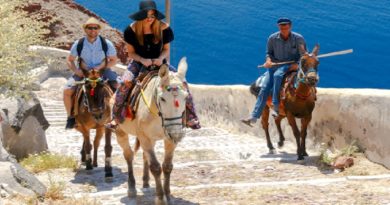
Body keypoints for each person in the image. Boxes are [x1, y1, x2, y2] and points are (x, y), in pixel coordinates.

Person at [108, 0, 200, 129]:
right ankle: (116, 117)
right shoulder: (131, 30)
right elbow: (131, 53)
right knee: (125, 84)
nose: (150, 19)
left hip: (160, 62)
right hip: (139, 62)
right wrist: (142, 59)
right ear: (140, 16)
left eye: (152, 16)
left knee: (182, 82)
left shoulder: (164, 28)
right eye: (146, 15)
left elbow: (166, 49)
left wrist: (160, 58)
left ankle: (190, 116)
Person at [242, 18, 306, 126]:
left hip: (291, 66)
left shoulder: (298, 38)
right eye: (281, 26)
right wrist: (268, 61)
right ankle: (253, 117)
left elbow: (304, 55)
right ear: (278, 27)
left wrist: (298, 64)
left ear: (290, 26)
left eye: (286, 26)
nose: (284, 28)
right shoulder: (272, 38)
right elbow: (269, 53)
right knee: (264, 88)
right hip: (274, 66)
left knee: (278, 75)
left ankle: (276, 107)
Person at [63, 17, 119, 129]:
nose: (93, 30)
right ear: (85, 29)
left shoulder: (106, 44)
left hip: (103, 71)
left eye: (96, 28)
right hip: (83, 72)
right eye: (90, 28)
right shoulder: (79, 44)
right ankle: (71, 117)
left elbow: (113, 60)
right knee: (67, 90)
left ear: (99, 29)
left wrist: (101, 69)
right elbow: (70, 60)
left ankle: (116, 116)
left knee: (120, 86)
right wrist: (76, 71)